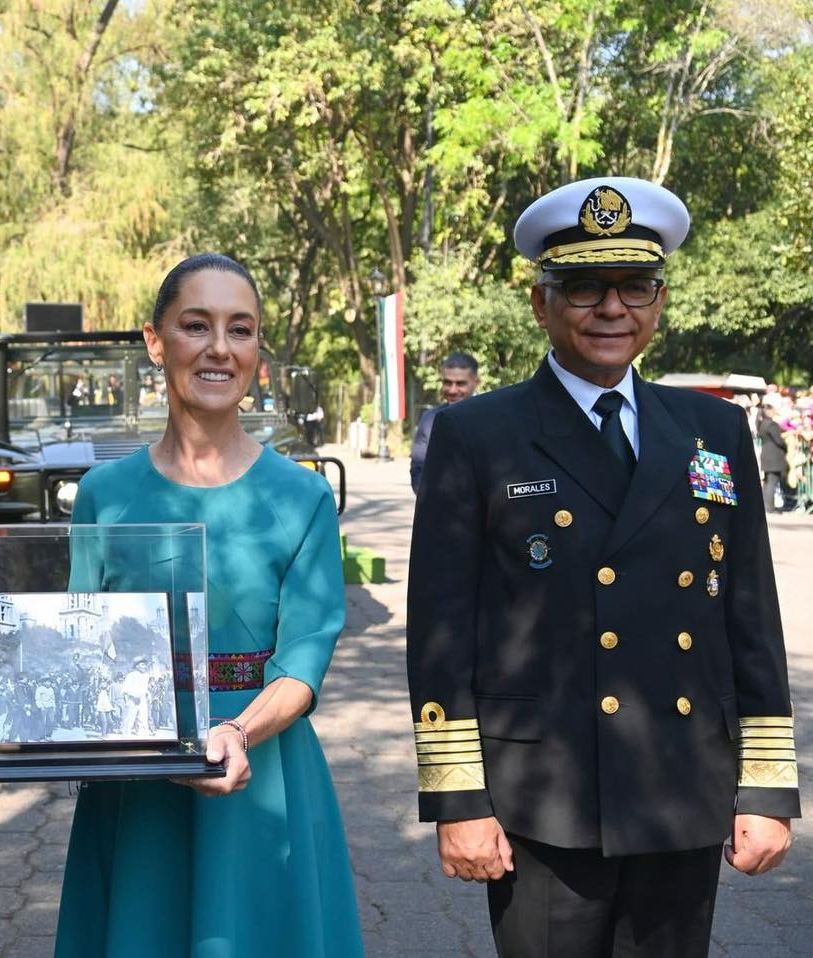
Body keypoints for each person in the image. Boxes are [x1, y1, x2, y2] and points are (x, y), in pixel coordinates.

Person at [407, 177, 798, 958]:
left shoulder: (713, 431)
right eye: (583, 287)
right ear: (539, 302)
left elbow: (750, 620)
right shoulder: (477, 434)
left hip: (683, 789)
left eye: (636, 286)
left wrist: (765, 788)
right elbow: (441, 633)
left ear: (659, 301)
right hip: (541, 805)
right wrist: (458, 800)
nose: (612, 308)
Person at [55, 253, 361, 957]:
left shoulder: (304, 496)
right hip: (138, 781)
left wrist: (237, 733)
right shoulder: (104, 493)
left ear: (257, 351)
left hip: (262, 772)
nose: (220, 347)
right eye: (197, 325)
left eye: (241, 329)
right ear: (155, 341)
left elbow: (305, 658)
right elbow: (78, 649)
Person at [409, 351, 479, 494]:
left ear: (476, 382)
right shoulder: (429, 419)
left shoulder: (493, 417)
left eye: (460, 383)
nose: (452, 390)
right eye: (447, 382)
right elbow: (418, 469)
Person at [758, 402, 788, 511]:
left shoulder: (762, 424)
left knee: (768, 482)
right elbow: (779, 440)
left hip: (766, 456)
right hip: (774, 457)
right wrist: (785, 446)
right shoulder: (771, 424)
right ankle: (769, 506)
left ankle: (767, 506)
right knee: (772, 482)